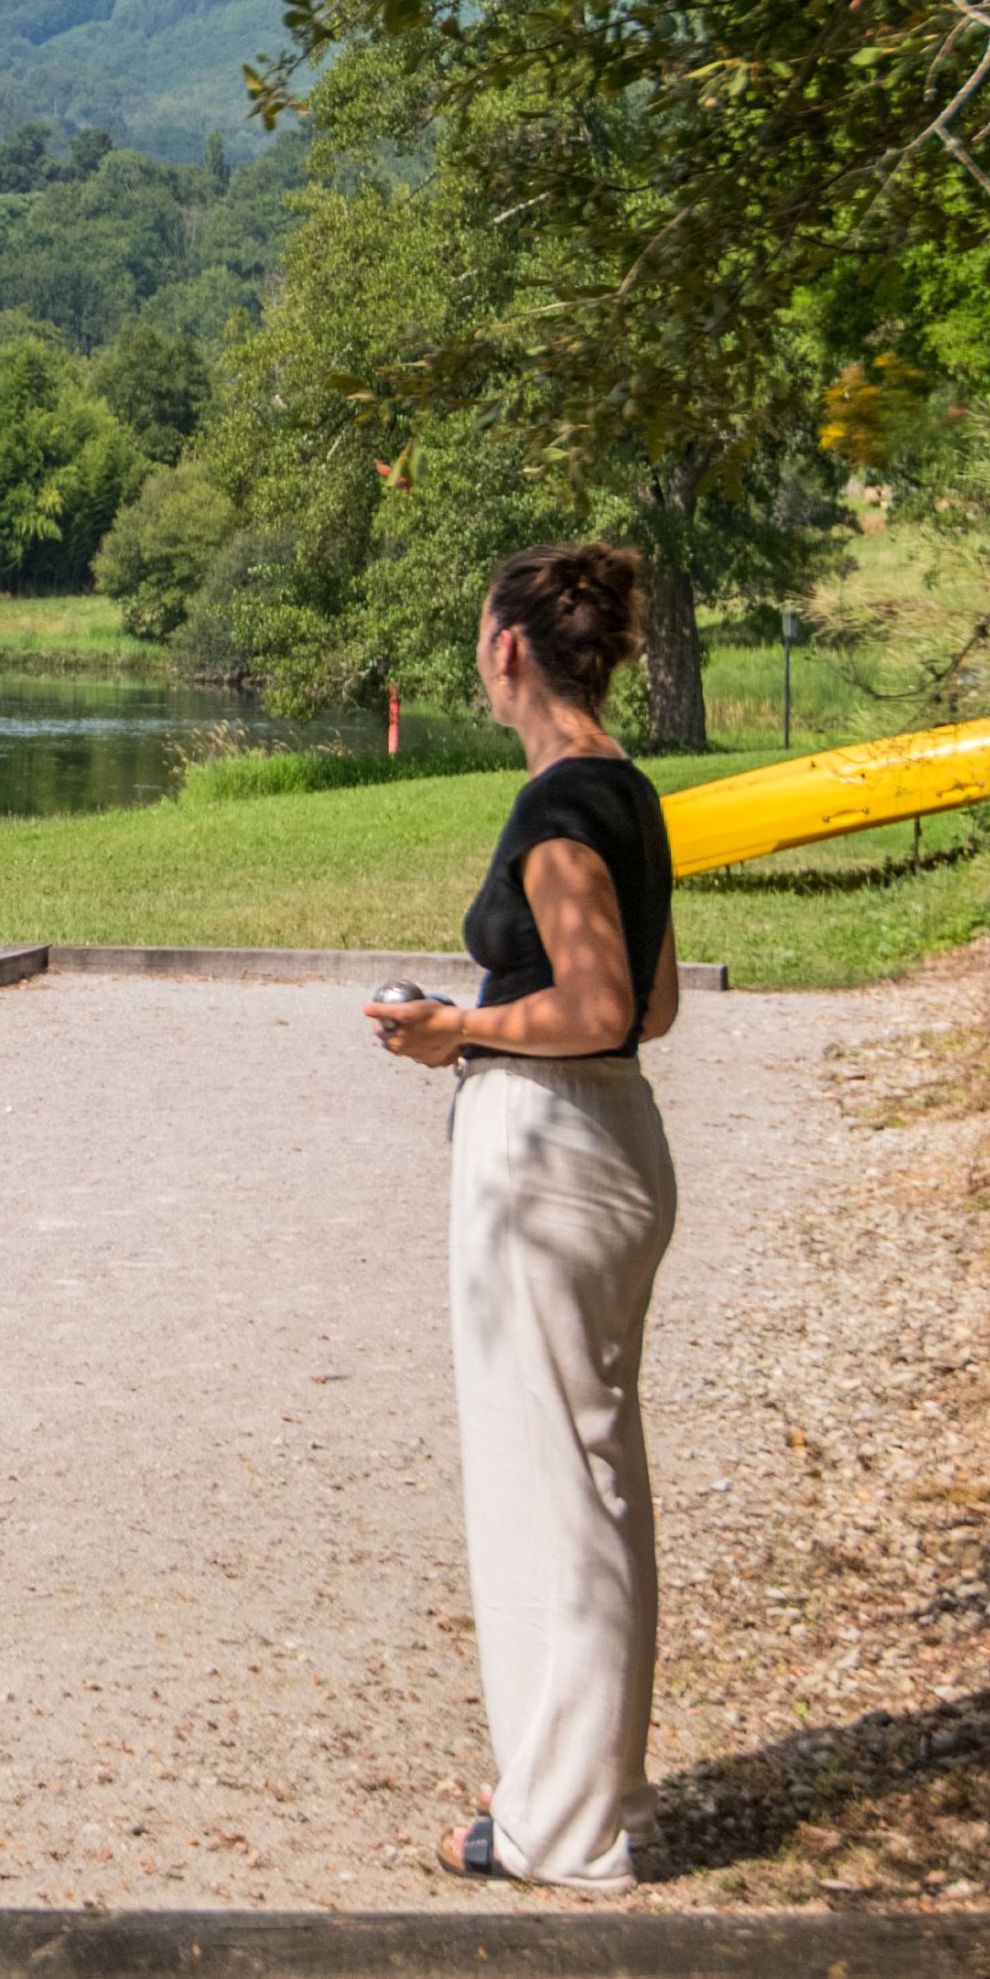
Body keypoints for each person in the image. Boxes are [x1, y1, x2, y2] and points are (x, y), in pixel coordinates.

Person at [361, 543, 683, 1891]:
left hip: (549, 1152)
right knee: (590, 1475)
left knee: (549, 1490)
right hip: (614, 1138)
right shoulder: (630, 792)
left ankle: (564, 1828)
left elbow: (600, 1005)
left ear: (507, 651)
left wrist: (458, 1030)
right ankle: (579, 1785)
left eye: (478, 638)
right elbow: (654, 1008)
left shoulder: (558, 805)